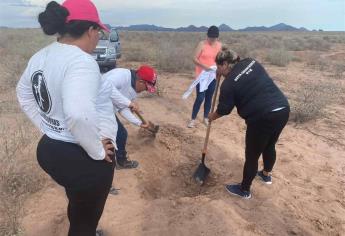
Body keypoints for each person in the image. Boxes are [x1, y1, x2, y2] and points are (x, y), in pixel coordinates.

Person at [16, 1, 129, 235]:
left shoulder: (41, 55)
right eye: (98, 31)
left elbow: (24, 94)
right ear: (90, 30)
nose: (99, 37)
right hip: (82, 158)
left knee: (78, 202)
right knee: (84, 224)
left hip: (49, 150)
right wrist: (98, 152)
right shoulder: (81, 61)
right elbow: (77, 114)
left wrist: (48, 128)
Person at [208, 47, 290, 199]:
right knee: (270, 144)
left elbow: (225, 109)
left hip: (262, 117)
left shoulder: (228, 85)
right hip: (282, 108)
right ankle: (266, 175)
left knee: (252, 155)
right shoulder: (251, 61)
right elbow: (244, 79)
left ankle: (244, 190)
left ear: (225, 64)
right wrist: (224, 77)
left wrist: (213, 116)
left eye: (219, 67)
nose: (218, 71)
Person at [103, 65, 157, 169]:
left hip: (107, 111)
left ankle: (120, 161)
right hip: (94, 109)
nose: (144, 90)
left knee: (121, 134)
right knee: (111, 138)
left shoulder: (133, 91)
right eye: (146, 87)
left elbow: (122, 109)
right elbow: (105, 86)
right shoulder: (121, 76)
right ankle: (108, 165)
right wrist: (128, 103)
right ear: (141, 81)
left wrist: (139, 123)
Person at [188, 25, 222, 128]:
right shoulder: (202, 44)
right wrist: (204, 67)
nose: (212, 40)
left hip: (213, 76)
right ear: (207, 36)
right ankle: (193, 119)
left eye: (214, 38)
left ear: (217, 37)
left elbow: (220, 60)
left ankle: (205, 118)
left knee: (209, 98)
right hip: (202, 76)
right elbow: (194, 58)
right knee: (200, 98)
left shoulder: (219, 46)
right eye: (210, 37)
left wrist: (219, 70)